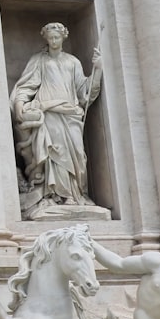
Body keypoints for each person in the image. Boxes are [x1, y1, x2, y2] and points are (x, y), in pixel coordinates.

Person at [11, 22, 101, 215]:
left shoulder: (73, 62)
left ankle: (77, 193)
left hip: (71, 113)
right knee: (56, 153)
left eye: (56, 37)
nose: (53, 41)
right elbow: (27, 85)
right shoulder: (39, 60)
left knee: (77, 153)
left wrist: (98, 69)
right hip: (50, 112)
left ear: (63, 38)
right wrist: (19, 102)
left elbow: (84, 92)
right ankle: (58, 195)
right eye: (50, 38)